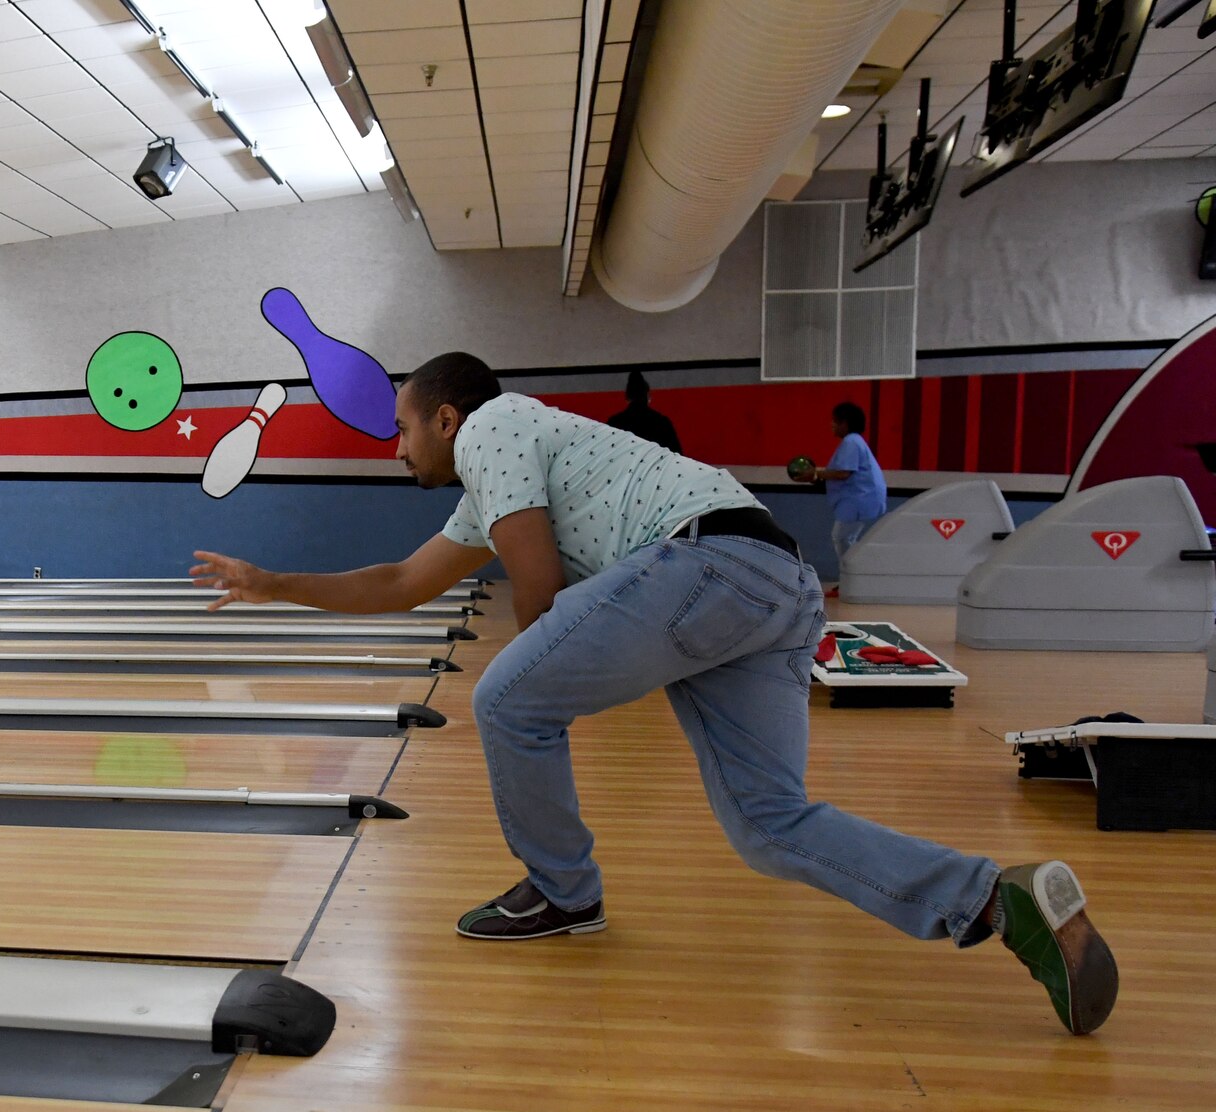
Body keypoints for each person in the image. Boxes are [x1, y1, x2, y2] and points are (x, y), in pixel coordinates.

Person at [191, 353, 1117, 1037]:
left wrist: (552, 678)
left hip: (706, 563)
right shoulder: (496, 480)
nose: (395, 448)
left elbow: (539, 583)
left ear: (446, 416)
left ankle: (562, 893)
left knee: (508, 699)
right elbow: (397, 581)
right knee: (770, 826)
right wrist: (269, 579)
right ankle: (998, 901)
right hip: (771, 583)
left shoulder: (494, 428)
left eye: (400, 426)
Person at [803, 402, 887, 567]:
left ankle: (853, 576)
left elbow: (843, 473)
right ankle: (852, 577)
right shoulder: (855, 442)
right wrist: (816, 477)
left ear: (845, 423)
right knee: (846, 538)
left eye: (835, 421)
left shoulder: (851, 442)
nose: (832, 425)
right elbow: (837, 474)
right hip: (858, 500)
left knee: (842, 537)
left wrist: (814, 473)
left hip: (858, 500)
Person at [606, 369, 682, 453]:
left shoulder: (614, 423)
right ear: (648, 397)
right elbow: (676, 455)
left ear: (627, 397)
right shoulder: (662, 422)